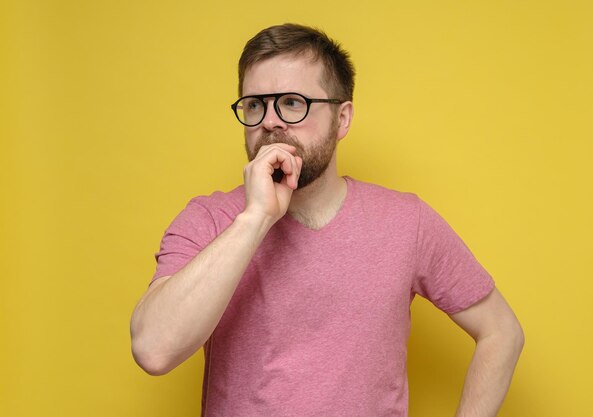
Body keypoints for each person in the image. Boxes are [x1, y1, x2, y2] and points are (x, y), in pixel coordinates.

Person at [130, 23, 524, 417]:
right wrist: (255, 218)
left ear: (343, 118)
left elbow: (501, 332)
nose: (270, 121)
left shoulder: (406, 221)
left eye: (292, 102)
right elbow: (153, 349)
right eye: (254, 105)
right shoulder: (210, 220)